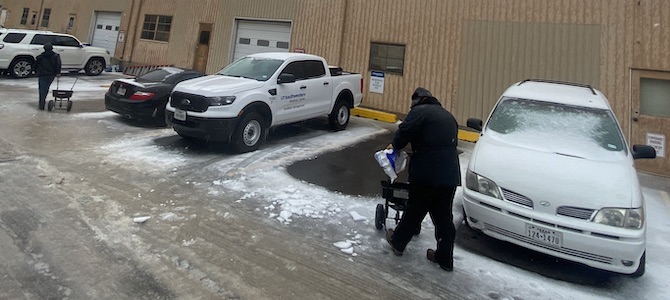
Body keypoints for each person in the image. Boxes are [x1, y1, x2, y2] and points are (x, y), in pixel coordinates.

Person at [385, 87, 461, 271]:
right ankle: (445, 258)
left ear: (417, 101)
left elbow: (404, 131)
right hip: (449, 173)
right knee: (443, 216)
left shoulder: (419, 112)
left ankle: (398, 242)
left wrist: (393, 146)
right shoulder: (447, 116)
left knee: (415, 209)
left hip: (427, 171)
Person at [35, 43, 62, 110]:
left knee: (42, 90)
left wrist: (36, 72)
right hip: (51, 75)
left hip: (42, 75)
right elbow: (58, 65)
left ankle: (41, 105)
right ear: (52, 48)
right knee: (46, 88)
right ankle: (42, 102)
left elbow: (35, 66)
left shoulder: (40, 57)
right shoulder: (56, 56)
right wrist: (58, 73)